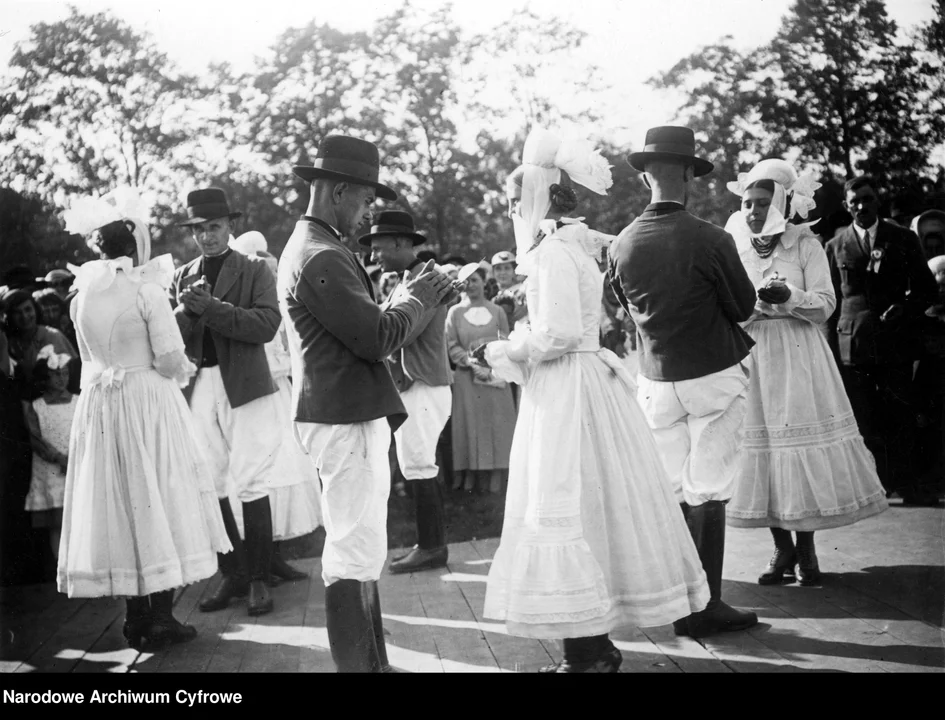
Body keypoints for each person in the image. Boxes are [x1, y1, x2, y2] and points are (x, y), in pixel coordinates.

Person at [477, 128, 709, 673]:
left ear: (538, 195)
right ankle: (592, 644)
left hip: (568, 386)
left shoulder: (556, 251)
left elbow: (556, 333)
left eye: (516, 200)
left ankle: (587, 651)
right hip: (576, 380)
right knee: (583, 505)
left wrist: (504, 348)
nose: (513, 211)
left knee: (567, 500)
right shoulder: (569, 244)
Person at [278, 135, 454, 673]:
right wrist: (417, 298)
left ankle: (372, 664)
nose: (365, 215)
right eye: (362, 201)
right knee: (353, 551)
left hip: (344, 411)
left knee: (361, 546)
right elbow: (376, 337)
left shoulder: (317, 246)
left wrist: (407, 300)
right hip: (343, 415)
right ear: (337, 192)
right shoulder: (320, 254)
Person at [58, 190, 232, 651]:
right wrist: (185, 370)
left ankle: (137, 617)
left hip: (102, 403)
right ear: (135, 245)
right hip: (146, 401)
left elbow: (86, 354)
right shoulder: (147, 290)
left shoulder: (83, 293)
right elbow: (171, 357)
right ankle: (158, 615)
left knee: (123, 500)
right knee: (160, 494)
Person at [608, 126, 759, 639]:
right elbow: (743, 307)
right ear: (690, 177)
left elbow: (622, 307)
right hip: (713, 372)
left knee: (674, 487)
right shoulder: (711, 237)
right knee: (708, 488)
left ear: (647, 175)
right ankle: (706, 604)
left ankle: (678, 599)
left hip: (655, 378)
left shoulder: (622, 242)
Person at [722, 159, 888, 586]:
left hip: (798, 352)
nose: (753, 212)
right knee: (765, 448)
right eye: (747, 203)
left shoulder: (803, 243)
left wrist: (789, 294)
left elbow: (825, 303)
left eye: (762, 203)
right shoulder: (735, 243)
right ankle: (782, 547)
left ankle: (807, 548)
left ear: (780, 201)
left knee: (797, 441)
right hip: (754, 353)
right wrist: (747, 308)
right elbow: (725, 305)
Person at [169, 188, 284, 617]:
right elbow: (169, 338)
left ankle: (258, 579)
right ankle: (232, 572)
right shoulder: (182, 275)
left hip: (245, 384)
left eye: (213, 227)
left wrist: (211, 308)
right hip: (200, 386)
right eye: (198, 230)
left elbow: (267, 325)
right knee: (211, 481)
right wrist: (184, 312)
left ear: (230, 227)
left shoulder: (254, 269)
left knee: (252, 480)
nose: (206, 237)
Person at [825, 176, 940, 506]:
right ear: (847, 206)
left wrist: (904, 308)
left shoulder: (902, 239)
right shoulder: (834, 247)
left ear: (878, 202)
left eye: (868, 199)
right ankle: (872, 486)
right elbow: (829, 302)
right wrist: (830, 351)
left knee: (900, 415)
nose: (862, 206)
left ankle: (907, 484)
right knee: (862, 418)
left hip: (895, 342)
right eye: (855, 201)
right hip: (852, 347)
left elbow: (926, 290)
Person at [361, 211, 453, 574]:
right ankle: (430, 544)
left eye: (379, 248)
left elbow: (403, 332)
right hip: (413, 385)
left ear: (401, 243)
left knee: (418, 464)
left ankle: (432, 547)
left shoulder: (427, 279)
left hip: (424, 384)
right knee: (415, 463)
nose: (373, 257)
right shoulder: (408, 279)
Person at [227, 230, 321, 584]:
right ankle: (251, 566)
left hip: (279, 395)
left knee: (283, 470)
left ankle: (274, 557)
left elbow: (288, 353)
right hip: (249, 394)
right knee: (253, 477)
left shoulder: (277, 307)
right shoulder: (239, 310)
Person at [446, 264, 517, 494]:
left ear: (483, 282)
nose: (470, 285)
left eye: (474, 280)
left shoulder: (497, 311)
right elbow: (451, 344)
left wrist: (491, 366)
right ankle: (470, 474)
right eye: (465, 281)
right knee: (469, 423)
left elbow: (505, 341)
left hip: (493, 375)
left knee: (497, 423)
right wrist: (471, 364)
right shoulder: (454, 312)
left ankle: (497, 473)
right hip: (468, 377)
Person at [22, 345, 76, 562]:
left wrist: (73, 457)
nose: (61, 379)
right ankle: (61, 565)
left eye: (64, 374)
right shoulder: (37, 407)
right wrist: (58, 457)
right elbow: (36, 439)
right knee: (57, 522)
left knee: (78, 519)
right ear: (44, 378)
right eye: (55, 375)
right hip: (51, 469)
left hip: (75, 465)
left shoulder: (78, 401)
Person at [1, 288, 76, 400]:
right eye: (17, 312)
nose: (25, 316)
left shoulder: (52, 336)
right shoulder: (8, 341)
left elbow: (71, 378)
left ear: (36, 310)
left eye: (28, 310)